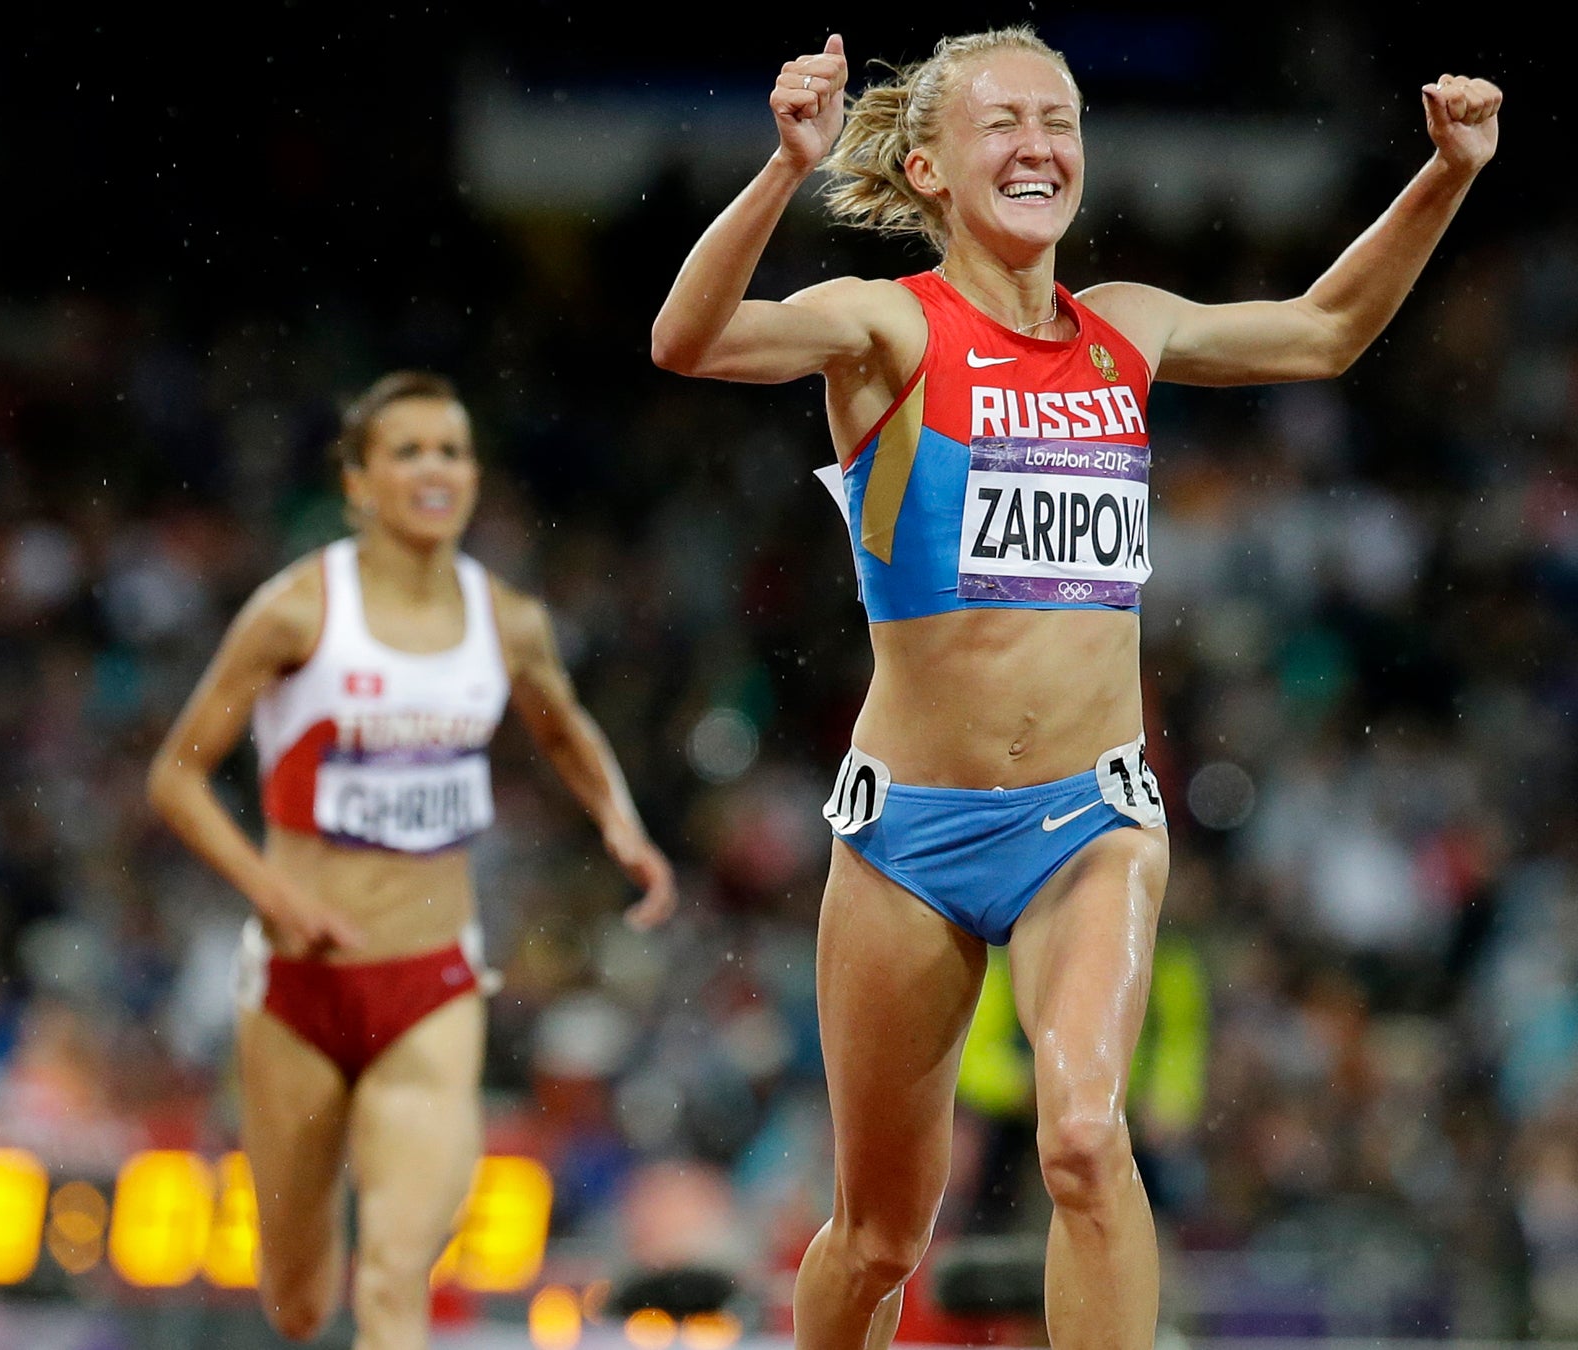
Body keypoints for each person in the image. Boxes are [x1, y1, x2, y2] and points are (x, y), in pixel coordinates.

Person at [649, 28, 1500, 1349]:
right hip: (905, 835)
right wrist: (782, 170)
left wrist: (1444, 172)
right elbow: (687, 339)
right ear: (927, 166)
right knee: (878, 1235)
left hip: (1085, 818)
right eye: (1006, 122)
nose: (1042, 141)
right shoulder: (886, 326)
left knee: (1088, 1141)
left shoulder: (1132, 331)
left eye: (1064, 118)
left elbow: (1328, 330)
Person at [147, 370, 678, 1349]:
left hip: (431, 985)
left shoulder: (505, 619)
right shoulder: (296, 610)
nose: (436, 469)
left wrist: (621, 822)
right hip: (299, 991)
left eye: (453, 451)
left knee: (395, 1274)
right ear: (357, 482)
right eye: (409, 452)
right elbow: (174, 779)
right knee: (299, 1296)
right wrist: (270, 893)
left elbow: (568, 732)